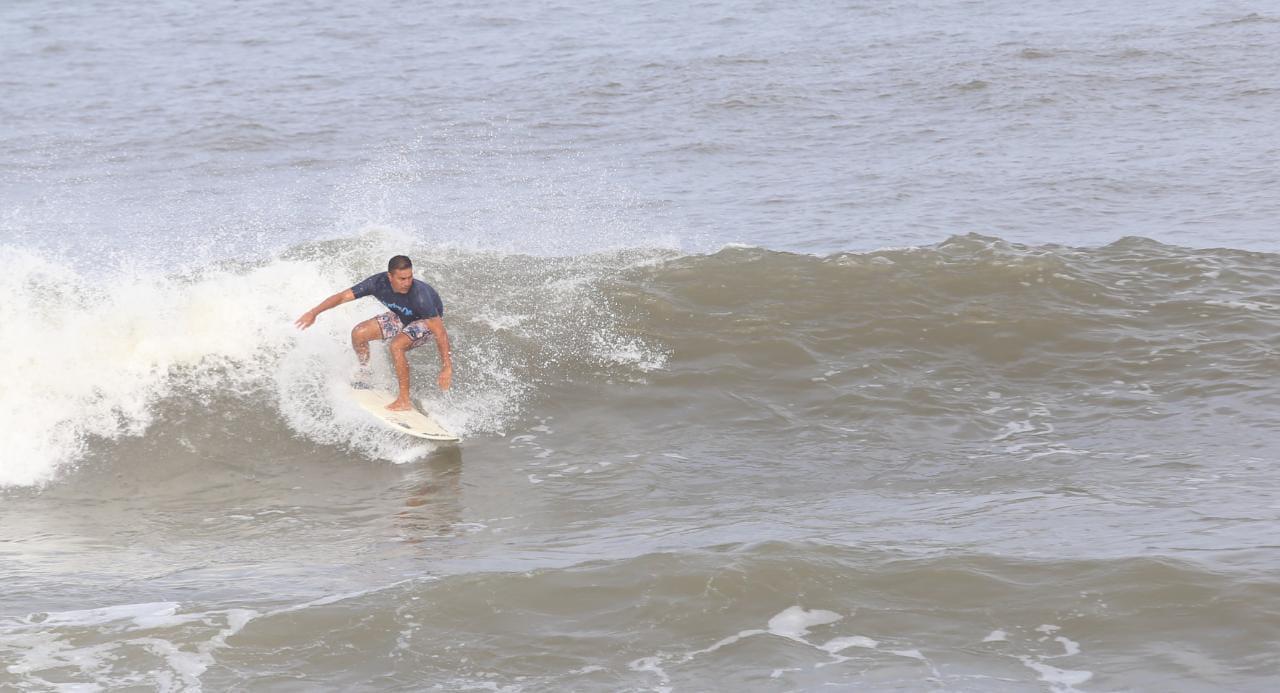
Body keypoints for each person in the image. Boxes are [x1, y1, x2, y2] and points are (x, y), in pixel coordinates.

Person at [295, 255, 452, 411]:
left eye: (409, 277)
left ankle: (404, 400)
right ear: (390, 276)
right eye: (402, 278)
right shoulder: (377, 283)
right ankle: (365, 373)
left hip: (425, 323)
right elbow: (342, 297)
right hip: (402, 317)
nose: (407, 283)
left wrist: (446, 367)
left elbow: (440, 332)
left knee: (396, 345)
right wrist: (314, 312)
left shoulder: (420, 295)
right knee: (358, 333)